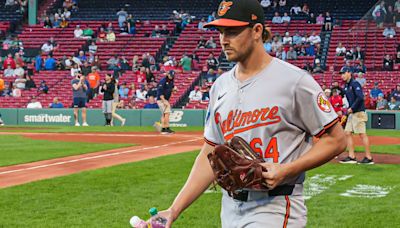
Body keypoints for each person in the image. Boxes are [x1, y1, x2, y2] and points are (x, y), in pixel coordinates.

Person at [157, 1, 346, 227]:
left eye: (233, 31)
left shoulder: (294, 81)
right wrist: (173, 210)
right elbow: (210, 153)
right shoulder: (220, 86)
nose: (224, 39)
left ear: (257, 31)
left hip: (275, 206)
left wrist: (286, 170)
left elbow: (336, 139)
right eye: (221, 32)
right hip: (230, 209)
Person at [340, 67, 373, 164]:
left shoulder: (355, 84)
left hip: (358, 112)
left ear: (349, 73)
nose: (342, 75)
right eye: (341, 74)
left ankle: (369, 157)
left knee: (362, 134)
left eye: (343, 73)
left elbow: (360, 98)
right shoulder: (347, 86)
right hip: (352, 113)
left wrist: (352, 108)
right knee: (347, 133)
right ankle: (351, 156)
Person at [156, 70, 178, 134]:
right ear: (168, 74)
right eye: (171, 75)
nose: (171, 77)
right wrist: (164, 101)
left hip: (165, 99)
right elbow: (160, 91)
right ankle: (166, 128)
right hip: (161, 99)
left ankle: (163, 128)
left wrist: (174, 89)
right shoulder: (163, 81)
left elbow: (171, 88)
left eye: (172, 76)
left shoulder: (171, 81)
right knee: (167, 113)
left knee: (164, 114)